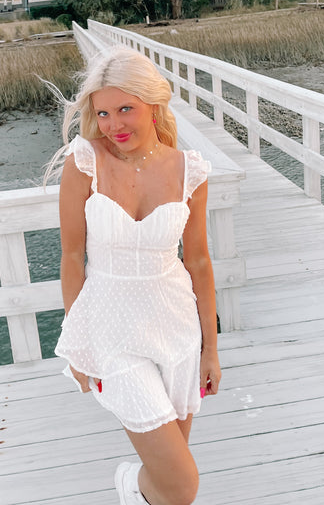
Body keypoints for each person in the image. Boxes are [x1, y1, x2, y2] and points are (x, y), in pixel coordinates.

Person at [47, 46, 221, 505]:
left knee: (169, 479)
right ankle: (130, 485)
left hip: (176, 327)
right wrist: (77, 339)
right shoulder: (84, 161)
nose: (113, 125)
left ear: (154, 105)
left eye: (125, 109)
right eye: (103, 112)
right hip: (111, 331)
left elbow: (199, 262)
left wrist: (211, 349)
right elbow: (71, 256)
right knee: (182, 486)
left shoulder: (191, 171)